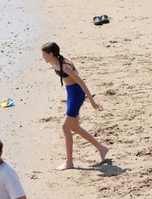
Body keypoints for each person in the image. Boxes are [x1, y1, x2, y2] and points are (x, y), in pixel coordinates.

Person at [41, 41, 109, 170]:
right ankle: (102, 148)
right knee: (75, 127)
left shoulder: (65, 66)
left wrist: (91, 100)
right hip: (71, 93)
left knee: (65, 127)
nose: (42, 57)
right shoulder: (54, 62)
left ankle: (69, 162)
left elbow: (81, 82)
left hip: (77, 94)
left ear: (51, 54)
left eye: (44, 55)